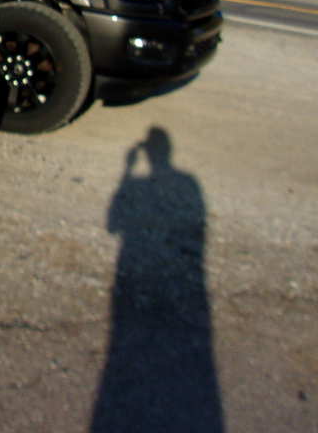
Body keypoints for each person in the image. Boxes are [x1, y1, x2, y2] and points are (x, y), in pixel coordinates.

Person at [91, 127, 224, 433]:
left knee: (122, 347)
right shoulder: (188, 183)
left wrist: (126, 172)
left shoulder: (145, 182)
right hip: (192, 290)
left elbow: (112, 225)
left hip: (130, 275)